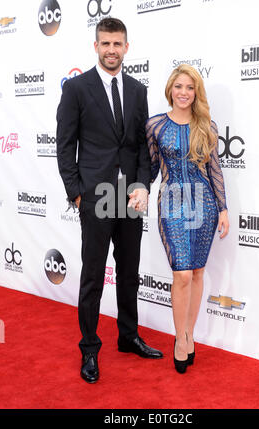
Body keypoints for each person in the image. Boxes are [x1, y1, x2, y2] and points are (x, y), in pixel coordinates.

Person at [56, 17, 163, 384]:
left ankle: (128, 336)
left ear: (127, 47)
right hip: (96, 196)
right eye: (106, 44)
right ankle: (89, 348)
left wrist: (143, 185)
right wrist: (76, 192)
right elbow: (65, 145)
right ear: (96, 46)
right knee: (92, 276)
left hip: (129, 196)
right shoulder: (76, 89)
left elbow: (141, 146)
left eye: (118, 44)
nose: (112, 50)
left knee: (130, 272)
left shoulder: (137, 89)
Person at [146, 64, 229, 374]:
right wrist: (135, 188)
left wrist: (223, 207)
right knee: (181, 274)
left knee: (196, 273)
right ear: (170, 89)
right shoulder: (154, 126)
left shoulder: (206, 127)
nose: (183, 92)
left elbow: (215, 169)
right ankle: (180, 338)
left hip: (205, 203)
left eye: (189, 88)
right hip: (172, 203)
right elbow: (151, 168)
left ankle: (190, 334)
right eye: (178, 86)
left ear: (196, 93)